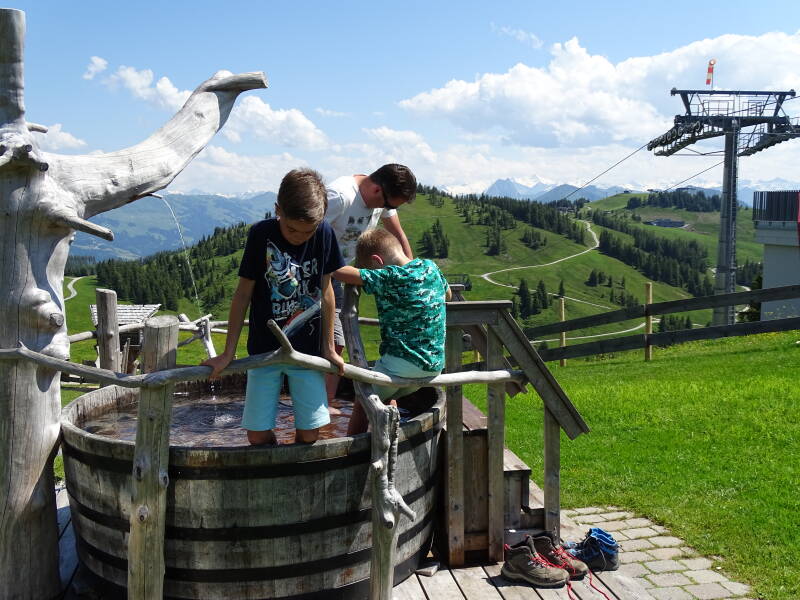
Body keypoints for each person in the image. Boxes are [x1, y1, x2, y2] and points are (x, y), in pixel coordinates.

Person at [202, 168, 345, 445]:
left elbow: (327, 290)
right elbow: (243, 294)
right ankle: (271, 464)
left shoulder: (324, 233)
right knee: (256, 435)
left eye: (308, 231)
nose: (299, 237)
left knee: (310, 432)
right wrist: (228, 352)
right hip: (264, 350)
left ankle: (297, 469)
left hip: (307, 351)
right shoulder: (260, 234)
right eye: (291, 229)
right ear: (278, 209)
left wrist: (328, 348)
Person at [333, 228, 451, 435]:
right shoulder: (430, 267)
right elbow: (448, 294)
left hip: (401, 364)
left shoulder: (389, 276)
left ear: (377, 261)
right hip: (434, 366)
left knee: (363, 400)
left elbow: (340, 272)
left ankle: (351, 449)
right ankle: (390, 435)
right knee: (388, 395)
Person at [324, 164, 417, 406]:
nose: (389, 210)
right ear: (377, 190)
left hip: (339, 276)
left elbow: (399, 235)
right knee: (309, 341)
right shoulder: (339, 197)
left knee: (336, 343)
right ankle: (310, 408)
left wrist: (413, 275)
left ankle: (326, 406)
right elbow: (302, 233)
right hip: (312, 276)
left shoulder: (383, 200)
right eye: (390, 205)